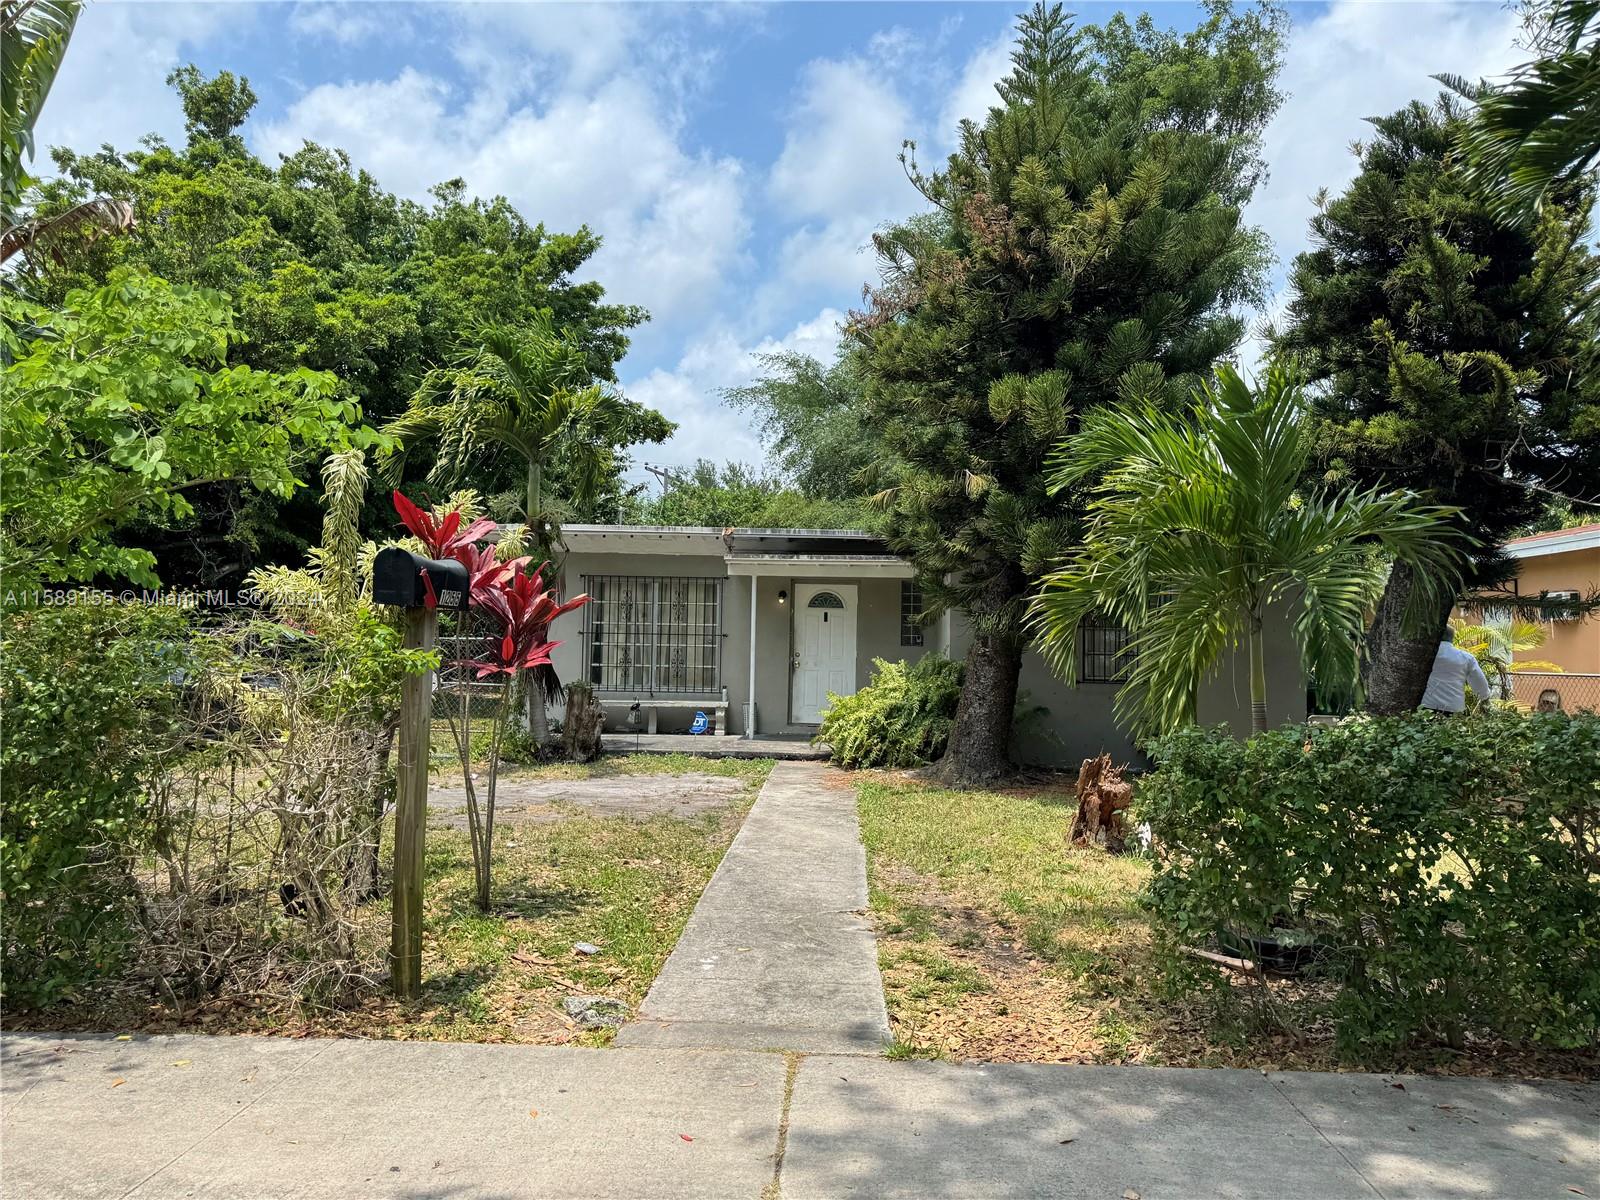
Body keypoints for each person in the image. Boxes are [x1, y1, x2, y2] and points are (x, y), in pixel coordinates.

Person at [1420, 639, 1492, 714]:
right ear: (1451, 639)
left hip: (1427, 705)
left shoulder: (1422, 655)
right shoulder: (1466, 657)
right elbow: (1480, 683)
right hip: (1454, 708)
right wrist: (1484, 698)